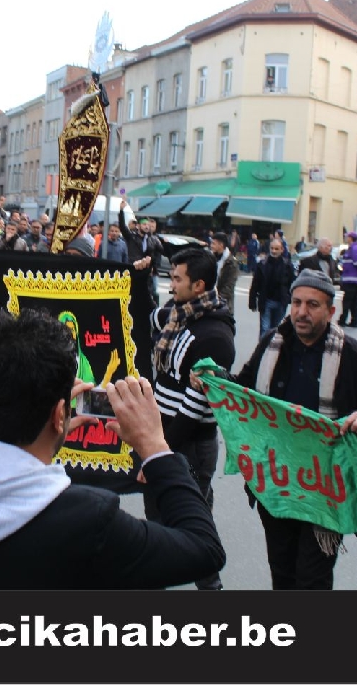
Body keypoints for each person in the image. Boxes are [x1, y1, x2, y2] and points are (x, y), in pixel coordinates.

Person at [0, 307, 225, 589]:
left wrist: (46, 432)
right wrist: (154, 446)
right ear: (61, 414)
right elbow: (204, 549)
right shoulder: (88, 518)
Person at [234, 269, 357, 590]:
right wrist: (213, 379)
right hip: (277, 484)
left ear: (331, 311)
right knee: (282, 571)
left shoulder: (356, 357)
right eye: (296, 302)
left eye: (312, 305)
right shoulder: (272, 344)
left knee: (312, 580)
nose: (301, 311)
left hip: (327, 491)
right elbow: (243, 392)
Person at [147, 246, 235, 591]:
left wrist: (160, 451)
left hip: (189, 444)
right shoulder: (179, 314)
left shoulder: (214, 336)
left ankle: (209, 589)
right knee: (167, 515)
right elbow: (145, 314)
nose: (171, 285)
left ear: (198, 286)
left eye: (177, 279)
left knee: (187, 521)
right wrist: (137, 276)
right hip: (165, 436)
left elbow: (195, 407)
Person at [248, 237, 295, 336]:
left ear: (282, 249)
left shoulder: (287, 265)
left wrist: (290, 298)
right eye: (272, 248)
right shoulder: (262, 264)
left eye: (276, 249)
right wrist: (252, 302)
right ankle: (264, 346)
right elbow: (255, 284)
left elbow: (292, 283)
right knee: (265, 328)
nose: (274, 251)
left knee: (276, 328)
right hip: (266, 301)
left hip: (281, 302)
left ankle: (271, 345)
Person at [337, 231, 357, 328]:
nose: (346, 238)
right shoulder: (353, 248)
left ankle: (343, 320)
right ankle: (354, 321)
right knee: (354, 301)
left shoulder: (354, 249)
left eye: (347, 237)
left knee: (348, 301)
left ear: (351, 238)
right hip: (354, 280)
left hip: (352, 280)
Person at [209, 231, 239, 310]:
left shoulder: (231, 263)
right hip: (209, 302)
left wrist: (216, 300)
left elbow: (229, 287)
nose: (211, 246)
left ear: (221, 245)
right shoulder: (210, 258)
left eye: (213, 243)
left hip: (223, 306)